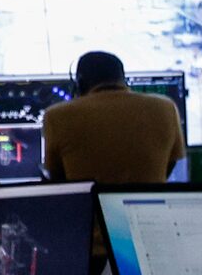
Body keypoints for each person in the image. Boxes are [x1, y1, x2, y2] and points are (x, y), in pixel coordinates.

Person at [41, 49, 186, 188]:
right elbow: (170, 162)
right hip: (150, 209)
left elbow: (57, 177)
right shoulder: (166, 107)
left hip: (87, 210)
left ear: (79, 82)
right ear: (123, 79)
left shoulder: (57, 116)